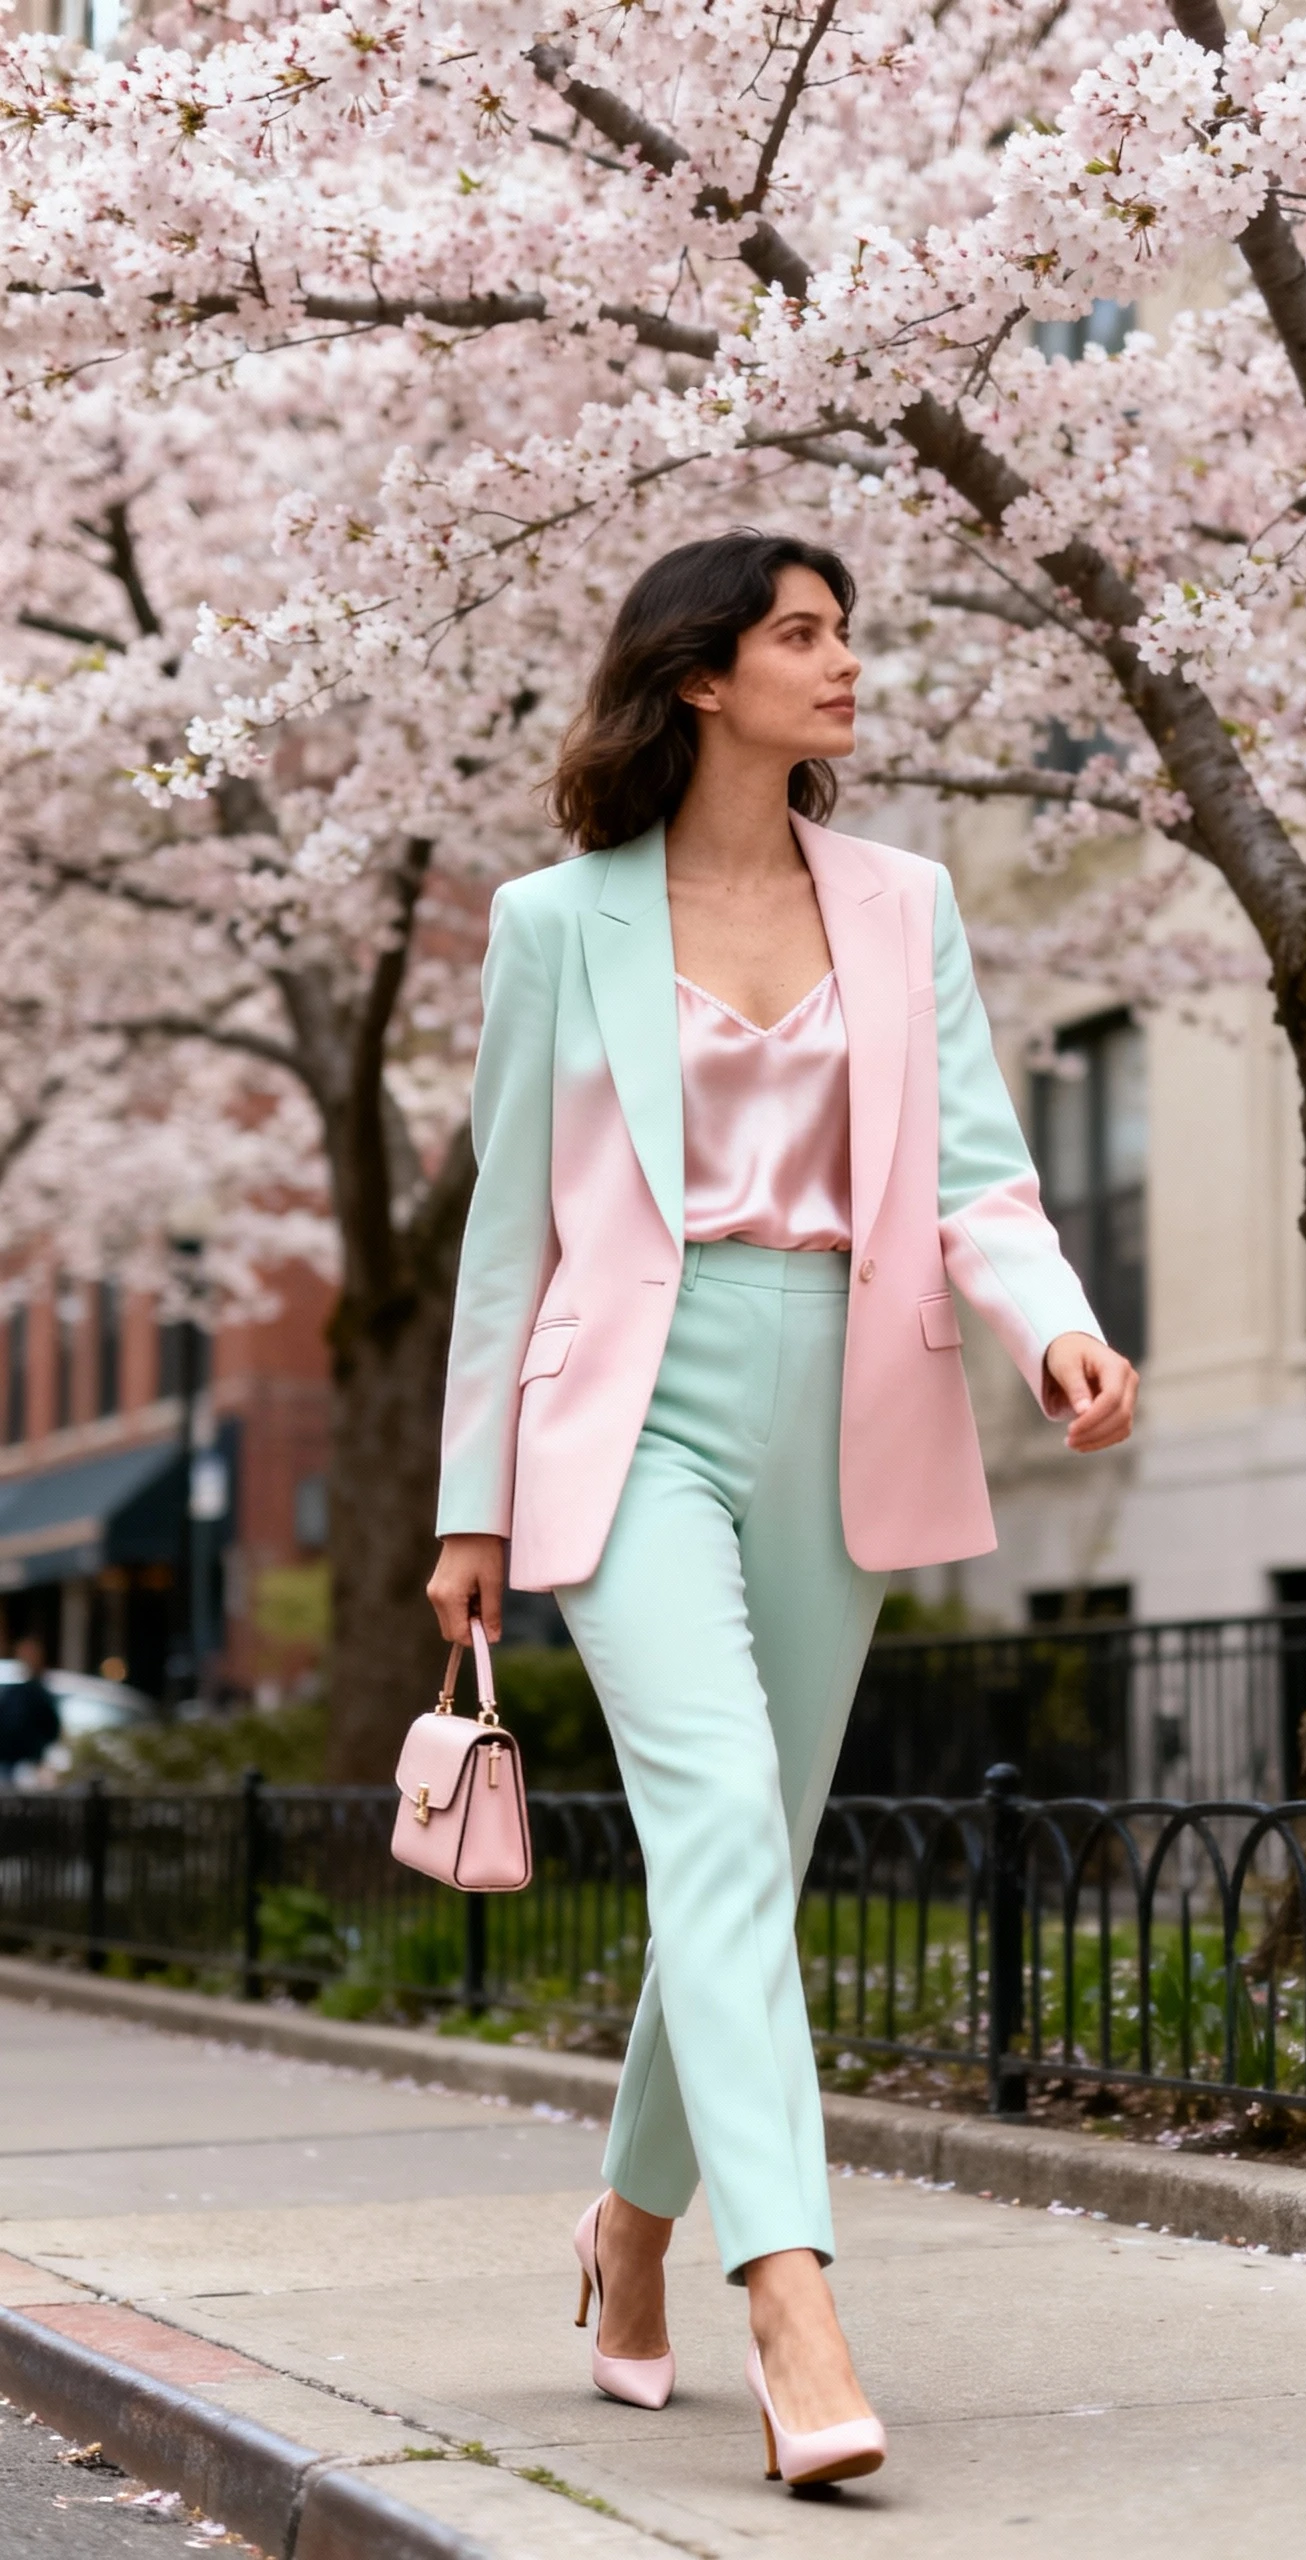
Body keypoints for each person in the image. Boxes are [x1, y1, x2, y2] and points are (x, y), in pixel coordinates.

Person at [426, 528, 1137, 2489]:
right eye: (804, 633)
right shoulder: (555, 920)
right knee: (722, 1817)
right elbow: (508, 1232)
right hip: (621, 1406)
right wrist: (468, 1497)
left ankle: (627, 2227)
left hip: (851, 1389)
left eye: (847, 633)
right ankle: (793, 2295)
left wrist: (1058, 1328)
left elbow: (980, 1168)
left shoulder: (903, 905)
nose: (845, 663)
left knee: (746, 1850)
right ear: (703, 677)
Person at [0, 1634, 61, 1780]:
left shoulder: (40, 1692)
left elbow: (52, 1728)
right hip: (6, 1762)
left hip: (28, 1764)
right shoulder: (12, 1690)